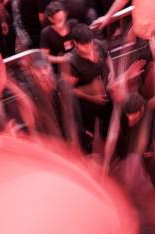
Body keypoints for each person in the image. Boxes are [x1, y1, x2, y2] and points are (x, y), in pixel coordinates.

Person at [63, 23, 113, 151]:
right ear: (75, 43)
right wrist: (92, 98)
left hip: (104, 92)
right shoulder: (73, 63)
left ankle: (106, 138)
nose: (89, 47)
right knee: (87, 135)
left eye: (90, 43)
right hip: (86, 103)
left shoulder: (97, 45)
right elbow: (70, 89)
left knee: (109, 120)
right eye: (85, 45)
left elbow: (107, 57)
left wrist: (112, 72)